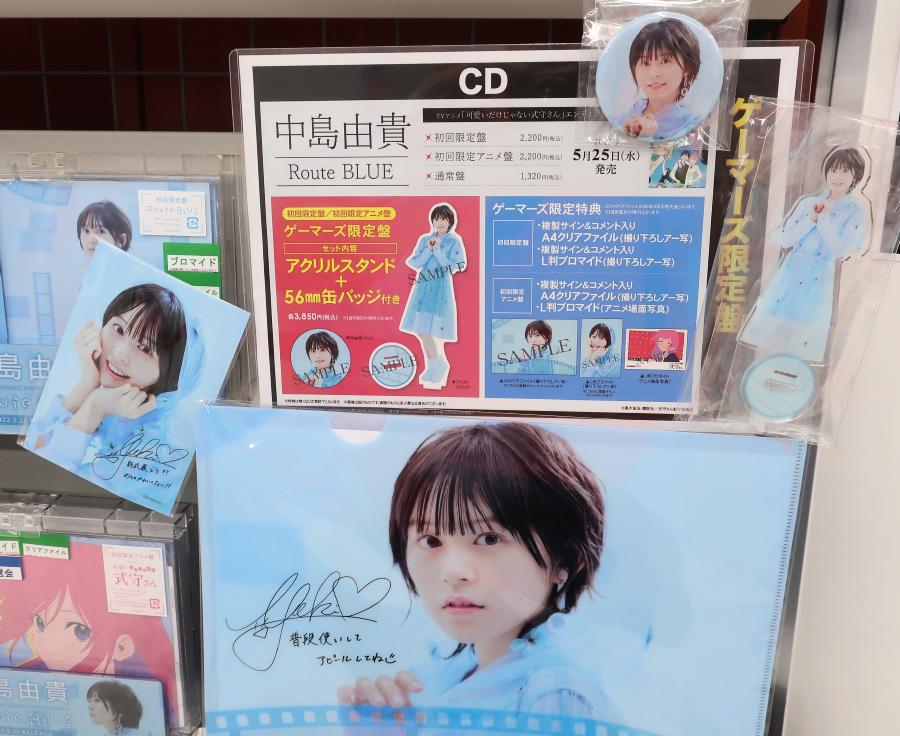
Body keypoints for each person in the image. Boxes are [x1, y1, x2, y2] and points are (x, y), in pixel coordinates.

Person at [338, 422, 611, 721]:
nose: (454, 573)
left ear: (565, 560)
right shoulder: (438, 673)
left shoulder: (555, 693)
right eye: (430, 541)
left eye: (489, 539)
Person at [24, 284, 203, 485]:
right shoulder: (115, 406)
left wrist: (94, 407)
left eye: (145, 349)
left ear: (171, 375)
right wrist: (88, 383)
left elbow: (47, 481)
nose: (119, 353)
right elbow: (33, 447)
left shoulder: (156, 449)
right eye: (119, 329)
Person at [0, 541, 178, 725]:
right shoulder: (28, 675)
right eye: (39, 623)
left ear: (122, 647)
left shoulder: (145, 688)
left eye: (80, 631)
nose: (49, 643)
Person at [739, 146, 871, 363]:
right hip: (791, 273)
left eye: (844, 171)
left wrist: (824, 220)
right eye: (833, 170)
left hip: (819, 279)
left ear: (855, 176)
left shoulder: (855, 210)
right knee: (772, 338)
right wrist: (810, 219)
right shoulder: (808, 203)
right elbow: (784, 238)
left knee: (801, 341)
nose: (837, 176)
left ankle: (791, 376)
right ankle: (765, 374)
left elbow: (841, 249)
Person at [400, 204, 467, 390]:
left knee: (426, 329)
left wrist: (437, 251)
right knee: (421, 329)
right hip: (423, 285)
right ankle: (435, 364)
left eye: (443, 219)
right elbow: (415, 262)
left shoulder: (453, 241)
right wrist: (429, 250)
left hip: (439, 287)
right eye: (436, 219)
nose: (439, 222)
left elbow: (457, 266)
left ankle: (437, 365)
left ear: (450, 221)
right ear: (432, 221)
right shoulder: (425, 239)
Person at [613, 17, 702, 141]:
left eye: (665, 61)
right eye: (645, 62)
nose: (654, 74)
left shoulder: (691, 123)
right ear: (634, 67)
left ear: (687, 67)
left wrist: (647, 135)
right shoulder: (632, 112)